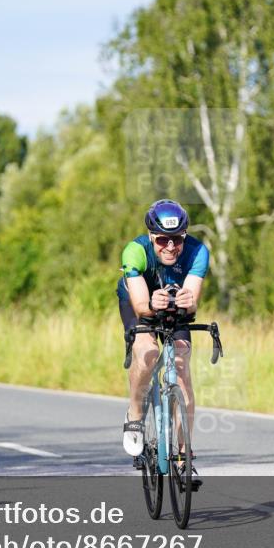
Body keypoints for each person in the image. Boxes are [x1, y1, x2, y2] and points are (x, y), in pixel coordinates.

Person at [117, 199, 209, 484]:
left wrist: (187, 301)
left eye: (177, 239)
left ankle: (183, 457)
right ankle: (134, 413)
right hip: (139, 302)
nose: (170, 247)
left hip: (174, 309)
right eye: (162, 240)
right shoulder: (135, 252)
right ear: (151, 237)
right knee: (147, 352)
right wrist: (150, 304)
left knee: (181, 369)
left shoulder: (197, 252)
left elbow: (192, 302)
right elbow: (142, 305)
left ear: (184, 236)